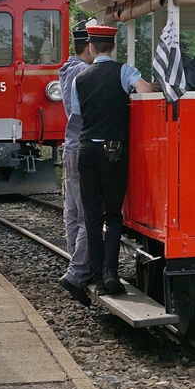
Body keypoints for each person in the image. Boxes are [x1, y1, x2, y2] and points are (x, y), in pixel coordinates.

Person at [75, 24, 155, 295]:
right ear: (113, 47)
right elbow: (143, 91)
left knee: (92, 216)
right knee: (113, 214)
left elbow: (77, 113)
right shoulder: (123, 70)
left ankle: (97, 277)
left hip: (85, 150)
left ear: (91, 48)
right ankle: (111, 273)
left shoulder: (81, 78)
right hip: (113, 151)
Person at [56, 21, 95, 305]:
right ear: (91, 46)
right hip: (82, 144)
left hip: (70, 145)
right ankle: (77, 273)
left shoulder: (67, 68)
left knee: (72, 211)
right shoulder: (84, 72)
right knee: (87, 214)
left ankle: (75, 261)